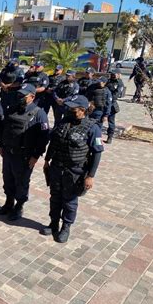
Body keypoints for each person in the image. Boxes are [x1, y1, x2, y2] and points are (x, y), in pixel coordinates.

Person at [42, 95, 103, 243]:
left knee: (69, 200)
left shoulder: (93, 128)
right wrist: (47, 160)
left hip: (75, 171)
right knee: (55, 197)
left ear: (82, 110)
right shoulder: (64, 122)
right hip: (57, 167)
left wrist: (91, 176)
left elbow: (97, 152)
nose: (69, 110)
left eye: (73, 108)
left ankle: (66, 226)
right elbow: (54, 142)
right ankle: (53, 223)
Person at [0, 83, 50, 221]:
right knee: (7, 179)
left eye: (23, 95)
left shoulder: (39, 113)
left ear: (32, 97)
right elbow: (5, 128)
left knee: (21, 182)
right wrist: (2, 145)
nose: (19, 97)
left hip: (24, 156)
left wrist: (35, 156)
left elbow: (43, 138)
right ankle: (9, 202)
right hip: (8, 152)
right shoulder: (12, 109)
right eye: (19, 94)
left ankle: (19, 206)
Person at [105, 68, 124, 144]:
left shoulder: (120, 83)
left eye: (114, 74)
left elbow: (116, 95)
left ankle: (110, 137)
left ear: (118, 74)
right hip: (104, 103)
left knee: (111, 122)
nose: (112, 75)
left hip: (112, 104)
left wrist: (108, 97)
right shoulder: (108, 81)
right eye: (112, 74)